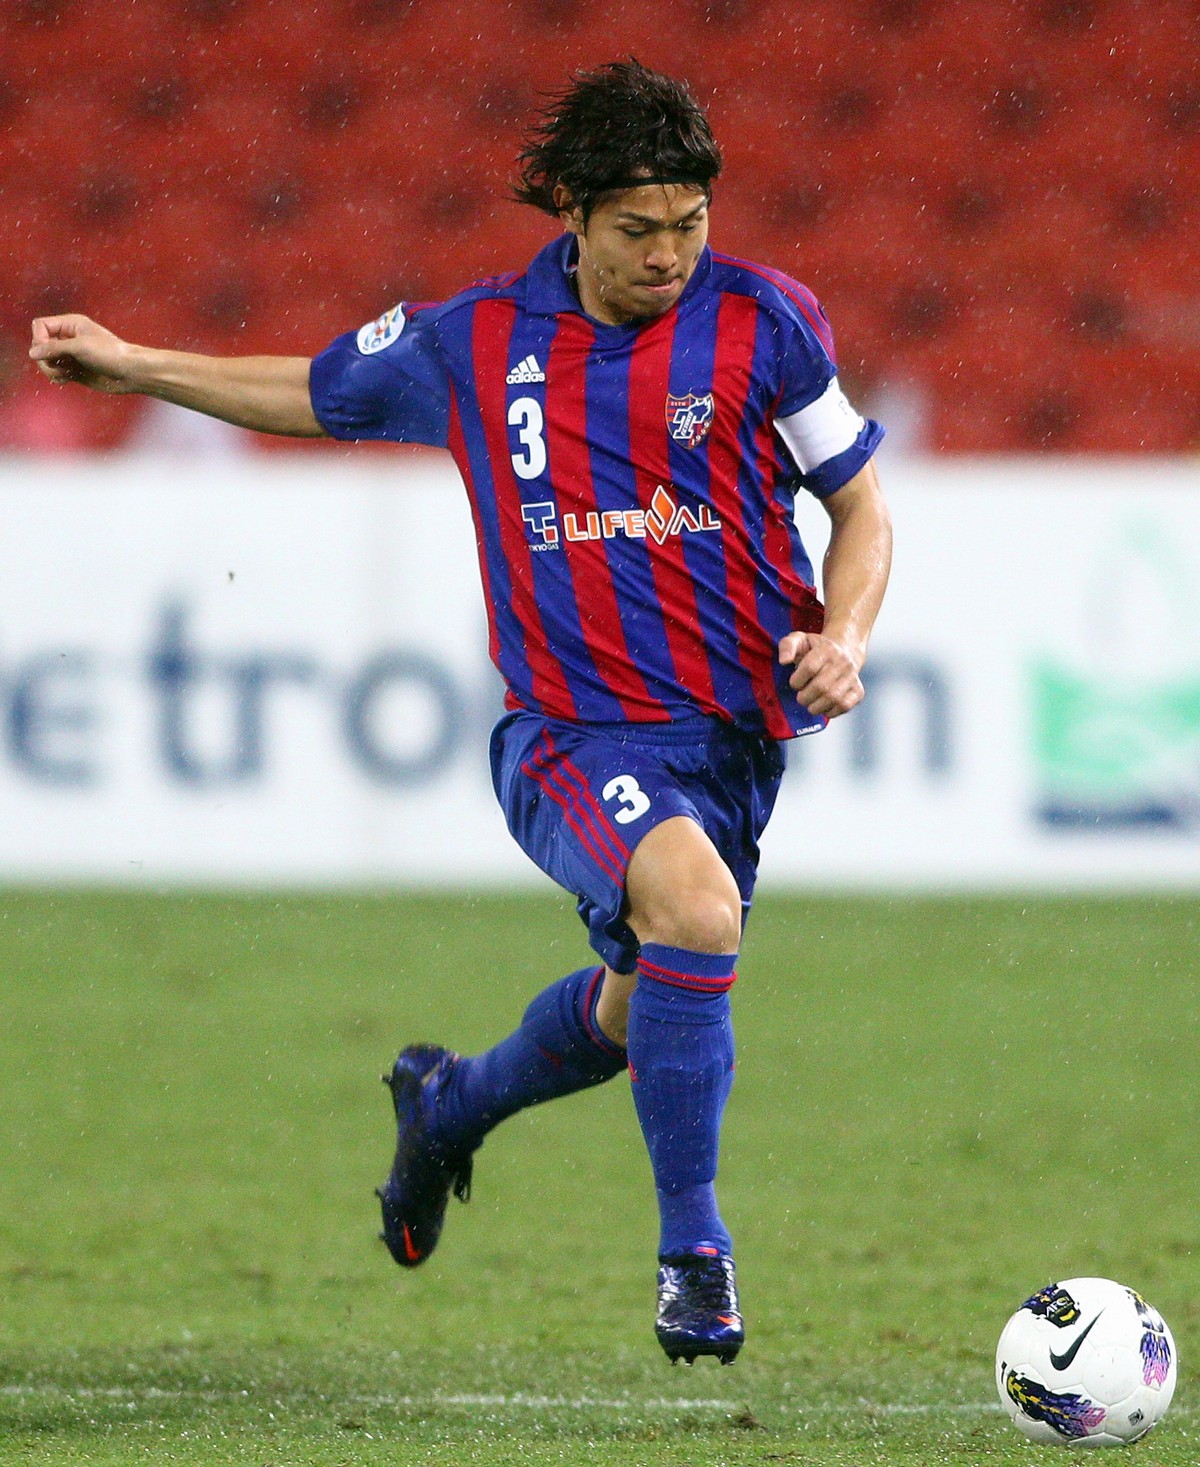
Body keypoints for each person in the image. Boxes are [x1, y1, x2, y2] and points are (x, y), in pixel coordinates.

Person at [29, 60, 892, 1366]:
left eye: (690, 224)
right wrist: (136, 367)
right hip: (570, 738)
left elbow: (862, 506)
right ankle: (695, 1256)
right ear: (574, 217)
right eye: (637, 229)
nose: (669, 255)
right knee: (697, 916)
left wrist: (846, 635)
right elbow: (311, 392)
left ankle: (448, 1106)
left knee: (642, 1003)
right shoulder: (479, 338)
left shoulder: (766, 319)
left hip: (730, 744)